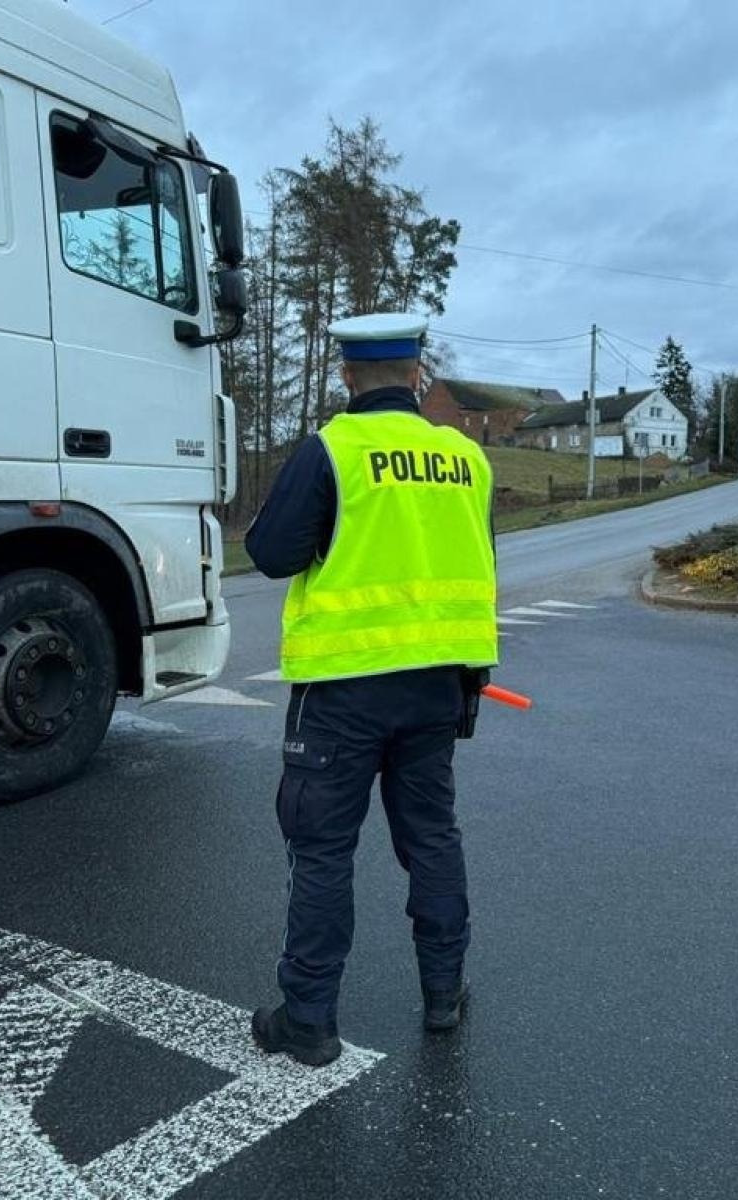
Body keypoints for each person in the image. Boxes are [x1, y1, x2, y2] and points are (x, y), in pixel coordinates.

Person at [247, 313, 497, 1067]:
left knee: (323, 850)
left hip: (344, 693)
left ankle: (310, 1019)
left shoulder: (335, 449)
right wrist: (470, 679)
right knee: (431, 838)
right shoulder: (467, 458)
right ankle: (444, 995)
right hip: (435, 690)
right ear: (418, 374)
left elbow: (268, 553)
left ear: (348, 375)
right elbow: (479, 568)